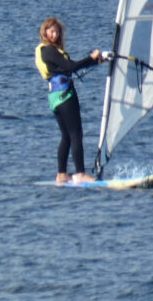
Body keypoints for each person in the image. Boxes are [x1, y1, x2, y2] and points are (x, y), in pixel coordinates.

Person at [35, 17, 104, 183]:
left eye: (57, 31)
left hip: (55, 97)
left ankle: (62, 174)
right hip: (65, 96)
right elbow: (70, 67)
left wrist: (95, 62)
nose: (55, 34)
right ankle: (80, 174)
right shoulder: (48, 51)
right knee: (76, 134)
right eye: (51, 31)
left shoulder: (50, 51)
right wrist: (91, 58)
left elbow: (69, 67)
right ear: (44, 32)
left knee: (66, 135)